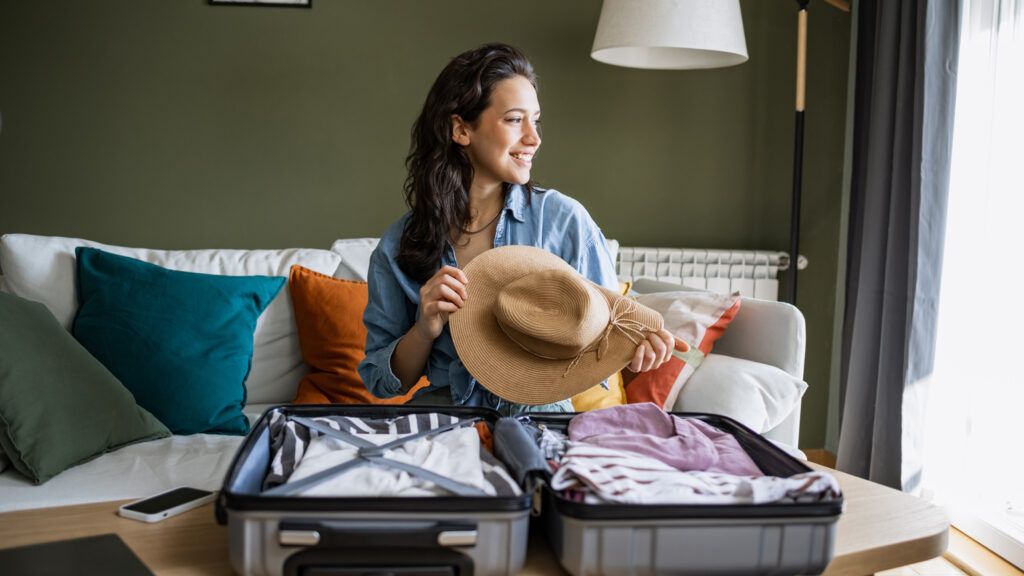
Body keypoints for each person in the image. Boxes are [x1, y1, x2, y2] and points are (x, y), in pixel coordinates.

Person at [358, 43, 675, 415]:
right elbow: (382, 383)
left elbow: (609, 335)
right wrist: (424, 328)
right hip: (443, 420)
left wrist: (636, 351)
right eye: (514, 120)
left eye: (535, 120)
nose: (534, 138)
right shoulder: (399, 245)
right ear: (461, 129)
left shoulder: (564, 220)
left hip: (542, 424)